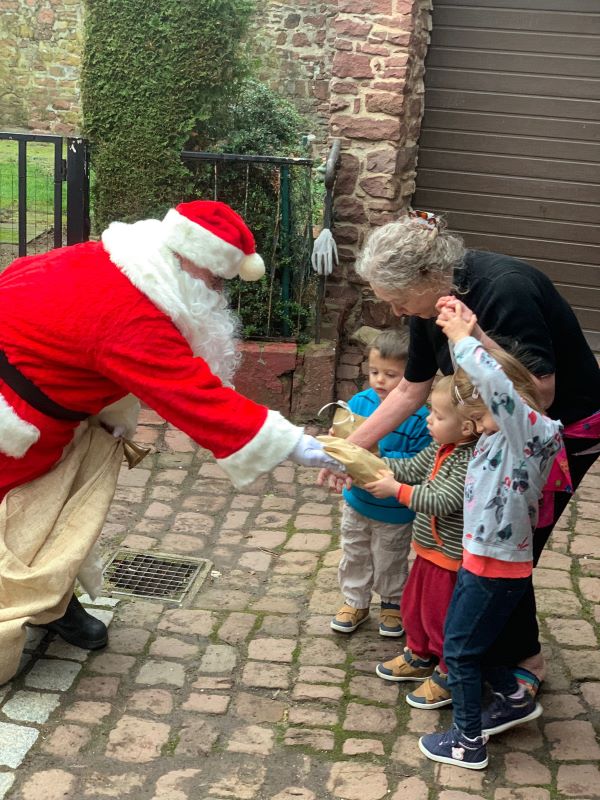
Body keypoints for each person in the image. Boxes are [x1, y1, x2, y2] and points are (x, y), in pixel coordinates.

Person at [0, 199, 343, 682]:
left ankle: (50, 599)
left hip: (44, 406)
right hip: (14, 418)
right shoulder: (132, 313)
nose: (218, 295)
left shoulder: (115, 256)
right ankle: (24, 605)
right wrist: (298, 445)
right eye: (216, 282)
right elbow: (194, 397)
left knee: (53, 509)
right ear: (189, 259)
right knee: (16, 518)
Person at [320, 210, 600, 697]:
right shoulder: (428, 305)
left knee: (505, 548)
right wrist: (349, 448)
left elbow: (539, 393)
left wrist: (471, 340)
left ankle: (521, 661)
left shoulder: (505, 291)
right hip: (487, 426)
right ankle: (466, 649)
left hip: (558, 433)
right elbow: (411, 389)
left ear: (427, 275)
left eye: (398, 300)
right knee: (474, 541)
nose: (398, 312)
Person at [418, 300, 563, 769]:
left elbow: (497, 385)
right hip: (485, 558)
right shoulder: (505, 430)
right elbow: (496, 376)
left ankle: (467, 742)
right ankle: (513, 697)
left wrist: (463, 340)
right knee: (481, 641)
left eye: (481, 417)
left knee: (459, 652)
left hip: (494, 565)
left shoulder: (528, 432)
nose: (477, 428)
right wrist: (471, 332)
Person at [364, 375, 477, 709]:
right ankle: (419, 654)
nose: (429, 420)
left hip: (450, 558)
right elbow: (411, 468)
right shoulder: (441, 446)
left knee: (441, 616)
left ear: (467, 426)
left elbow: (442, 500)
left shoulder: (468, 460)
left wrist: (395, 490)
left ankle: (448, 673)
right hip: (428, 550)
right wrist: (374, 465)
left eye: (438, 416)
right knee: (415, 606)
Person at [330, 329, 431, 637]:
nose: (379, 381)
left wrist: (380, 455)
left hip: (394, 509)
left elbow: (420, 463)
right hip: (357, 501)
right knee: (354, 552)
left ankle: (392, 603)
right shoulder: (358, 403)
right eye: (374, 372)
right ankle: (355, 602)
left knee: (390, 558)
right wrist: (337, 441)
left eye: (391, 375)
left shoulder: (420, 418)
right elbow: (344, 439)